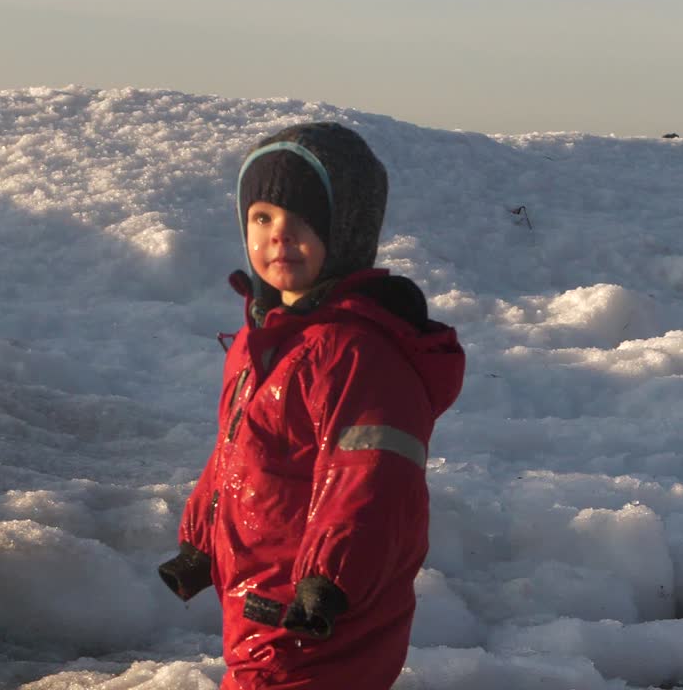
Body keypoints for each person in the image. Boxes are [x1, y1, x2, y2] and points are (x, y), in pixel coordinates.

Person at [158, 122, 465, 689]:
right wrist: (200, 540)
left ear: (344, 232)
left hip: (318, 616)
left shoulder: (355, 353)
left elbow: (372, 479)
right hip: (261, 600)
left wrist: (329, 578)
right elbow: (236, 452)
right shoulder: (264, 339)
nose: (279, 235)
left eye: (302, 221)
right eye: (262, 218)